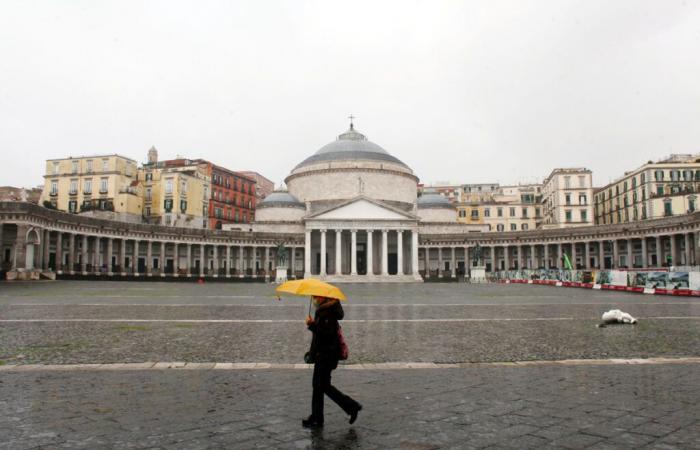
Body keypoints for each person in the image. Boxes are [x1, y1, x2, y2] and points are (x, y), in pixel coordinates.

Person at [302, 295, 362, 428]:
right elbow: (321, 334)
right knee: (317, 386)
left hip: (327, 355)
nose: (315, 298)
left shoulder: (329, 312)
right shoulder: (324, 310)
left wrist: (312, 325)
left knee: (323, 386)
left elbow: (327, 335)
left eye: (317, 296)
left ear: (325, 297)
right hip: (321, 354)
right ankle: (316, 417)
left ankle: (352, 406)